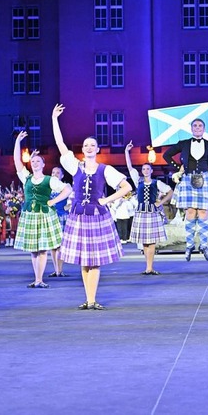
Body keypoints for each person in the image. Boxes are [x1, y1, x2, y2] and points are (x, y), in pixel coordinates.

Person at [52, 104, 132, 310]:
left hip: (97, 216)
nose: (88, 147)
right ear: (82, 149)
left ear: (97, 149)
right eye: (85, 145)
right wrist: (54, 119)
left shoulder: (105, 169)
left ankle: (92, 299)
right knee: (83, 260)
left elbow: (126, 187)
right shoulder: (75, 166)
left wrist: (107, 200)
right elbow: (60, 144)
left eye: (92, 145)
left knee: (94, 259)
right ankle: (88, 299)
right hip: (78, 216)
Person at [162, 118, 208, 261]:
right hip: (188, 178)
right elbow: (166, 155)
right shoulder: (184, 144)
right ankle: (190, 245)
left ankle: (204, 245)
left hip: (204, 179)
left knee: (204, 212)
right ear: (191, 128)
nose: (198, 127)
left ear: (204, 129)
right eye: (195, 125)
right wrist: (178, 167)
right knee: (190, 212)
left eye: (200, 125)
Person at [12, 131, 72, 289]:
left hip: (45, 215)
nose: (35, 163)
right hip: (30, 215)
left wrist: (53, 200)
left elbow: (67, 189)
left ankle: (40, 279)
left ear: (44, 165)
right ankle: (37, 278)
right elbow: (17, 161)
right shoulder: (26, 177)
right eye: (33, 161)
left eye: (38, 161)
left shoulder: (49, 180)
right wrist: (18, 141)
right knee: (33, 249)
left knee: (43, 248)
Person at [125, 141, 173, 275]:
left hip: (152, 213)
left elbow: (170, 191)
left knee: (151, 242)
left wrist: (160, 202)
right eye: (144, 169)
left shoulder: (157, 183)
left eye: (148, 169)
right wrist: (126, 152)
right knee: (144, 243)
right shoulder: (138, 181)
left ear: (151, 171)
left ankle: (149, 267)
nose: (145, 171)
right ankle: (148, 266)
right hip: (141, 213)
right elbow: (129, 167)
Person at [49, 166, 70, 277]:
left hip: (61, 217)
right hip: (50, 217)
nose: (55, 174)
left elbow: (74, 200)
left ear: (62, 175)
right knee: (53, 245)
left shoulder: (66, 187)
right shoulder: (47, 187)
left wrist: (68, 207)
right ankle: (56, 269)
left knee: (60, 245)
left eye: (57, 173)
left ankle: (59, 270)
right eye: (53, 172)